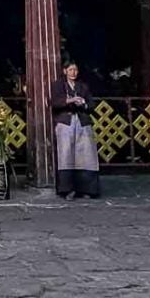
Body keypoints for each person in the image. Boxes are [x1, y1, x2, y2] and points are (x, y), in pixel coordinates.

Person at [51, 60, 100, 199]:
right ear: (65, 71)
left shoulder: (83, 86)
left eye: (76, 70)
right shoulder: (58, 85)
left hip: (82, 122)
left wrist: (83, 103)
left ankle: (87, 189)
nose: (73, 73)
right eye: (71, 70)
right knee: (66, 155)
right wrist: (70, 101)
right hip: (65, 122)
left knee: (86, 155)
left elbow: (91, 105)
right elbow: (55, 102)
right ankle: (67, 190)